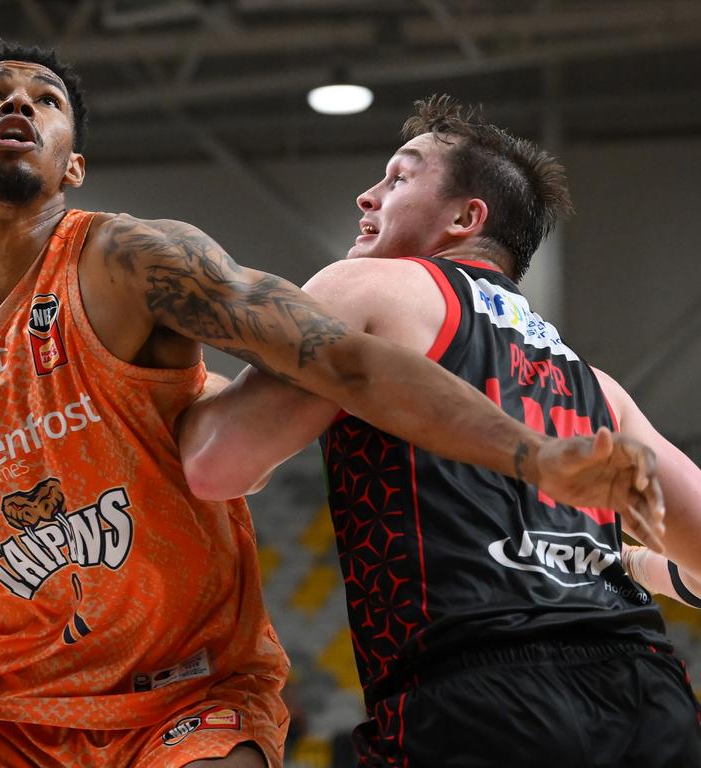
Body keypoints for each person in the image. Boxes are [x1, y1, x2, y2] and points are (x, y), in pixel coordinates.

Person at [0, 44, 663, 768]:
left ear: (74, 165)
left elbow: (348, 364)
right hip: (9, 709)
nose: (18, 105)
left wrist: (530, 456)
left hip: (193, 696)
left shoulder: (135, 261)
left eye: (45, 100)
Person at [179, 96, 701, 767]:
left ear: (465, 217)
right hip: (648, 699)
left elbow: (216, 465)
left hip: (481, 699)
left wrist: (161, 380)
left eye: (398, 178)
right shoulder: (600, 387)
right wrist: (629, 565)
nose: (367, 197)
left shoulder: (370, 287)